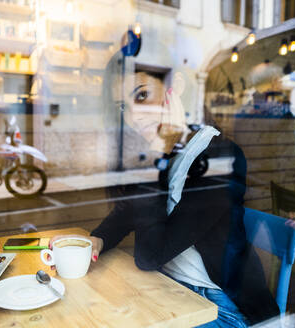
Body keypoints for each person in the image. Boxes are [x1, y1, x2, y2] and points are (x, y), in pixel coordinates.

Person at [49, 51, 280, 327]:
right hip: (171, 289)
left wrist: (157, 152)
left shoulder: (221, 158)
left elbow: (149, 256)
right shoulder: (165, 151)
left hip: (223, 307)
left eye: (142, 95)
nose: (134, 115)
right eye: (124, 106)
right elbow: (128, 211)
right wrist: (98, 239)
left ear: (176, 87)